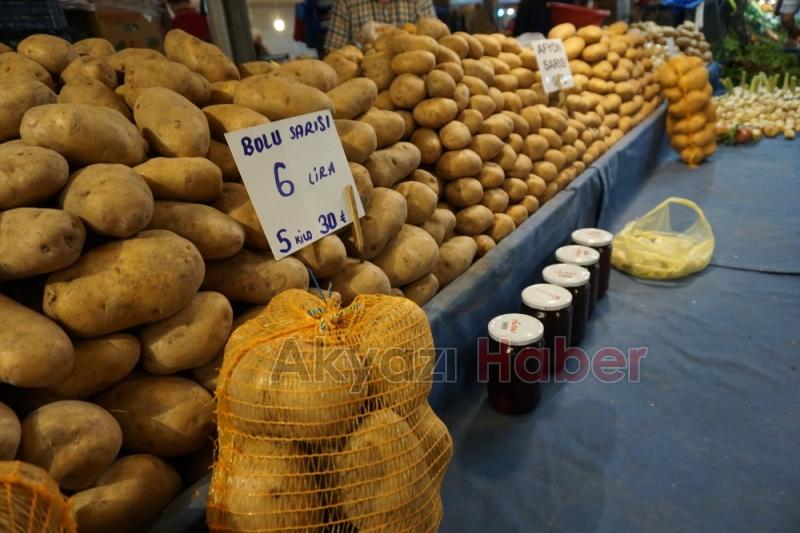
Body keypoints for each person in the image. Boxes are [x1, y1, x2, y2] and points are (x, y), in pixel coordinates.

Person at [324, 0, 436, 53]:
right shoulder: (345, 3)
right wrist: (359, 41)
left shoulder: (419, 1)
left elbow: (435, 45)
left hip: (412, 78)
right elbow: (331, 52)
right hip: (363, 78)